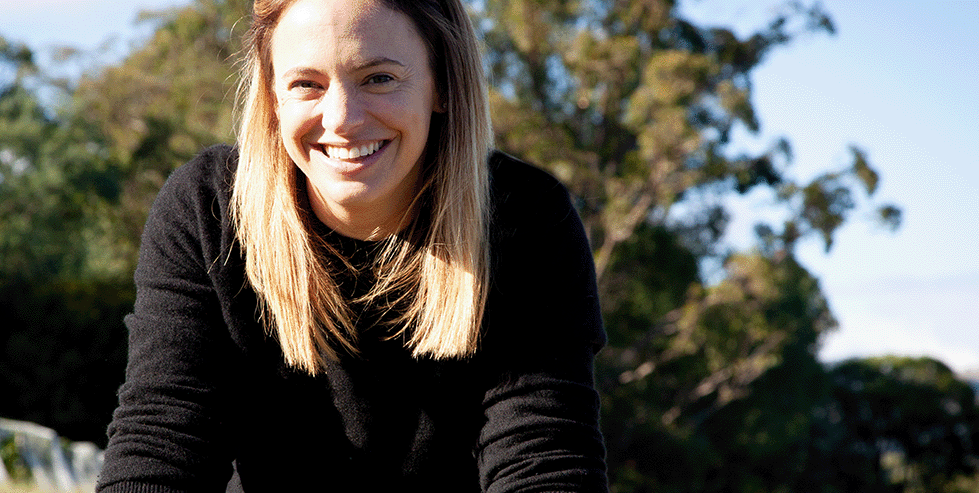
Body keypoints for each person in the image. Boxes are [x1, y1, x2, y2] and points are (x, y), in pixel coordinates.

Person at [96, 0, 607, 491]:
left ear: (442, 85)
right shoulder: (209, 211)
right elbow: (163, 440)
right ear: (273, 98)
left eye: (379, 78)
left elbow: (544, 456)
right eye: (306, 84)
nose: (341, 118)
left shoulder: (525, 219)